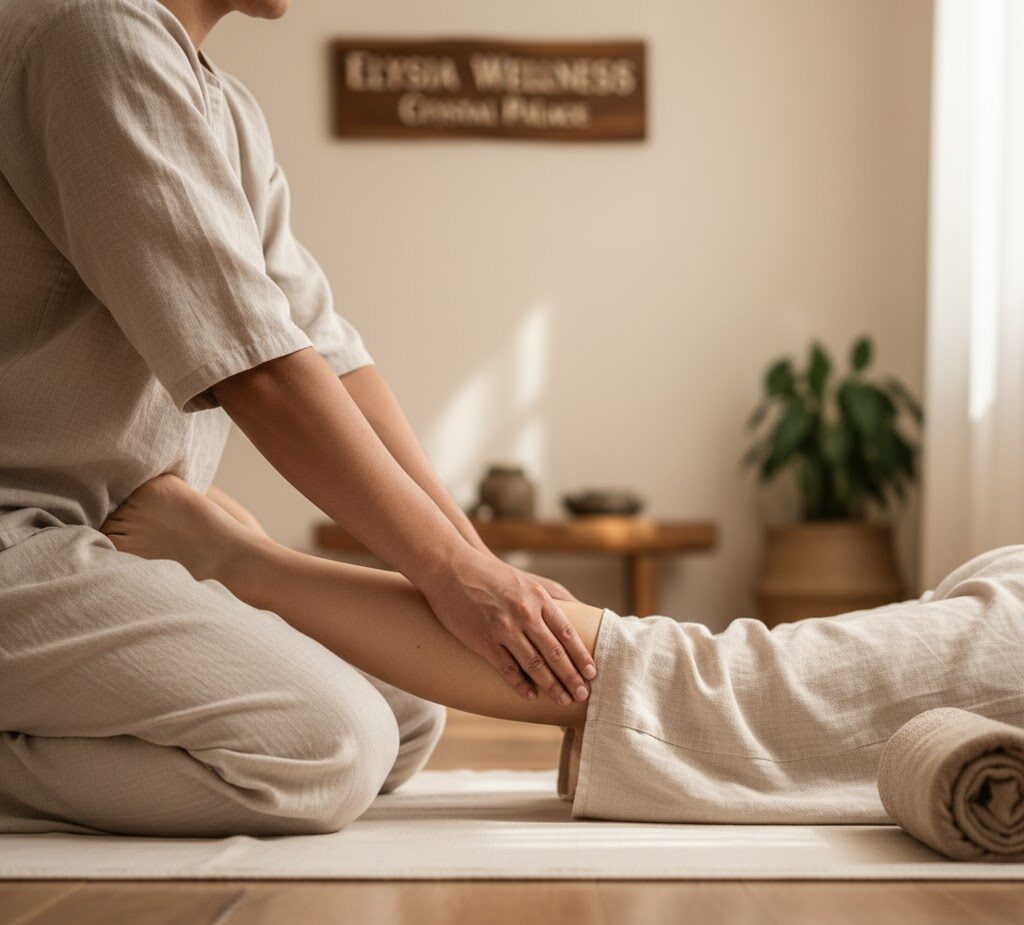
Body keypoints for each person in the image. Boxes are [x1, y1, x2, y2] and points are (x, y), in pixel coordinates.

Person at [0, 0, 598, 835]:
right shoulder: (92, 34)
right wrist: (444, 575)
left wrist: (477, 568)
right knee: (326, 748)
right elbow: (265, 377)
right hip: (19, 546)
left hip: (113, 541)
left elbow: (325, 357)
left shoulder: (223, 106)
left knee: (411, 709)